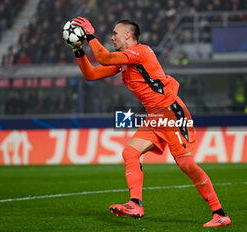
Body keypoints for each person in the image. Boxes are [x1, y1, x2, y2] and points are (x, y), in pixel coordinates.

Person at [65, 17, 231, 227]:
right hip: (154, 116)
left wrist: (90, 36)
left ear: (128, 35)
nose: (112, 37)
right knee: (130, 152)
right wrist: (77, 50)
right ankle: (135, 204)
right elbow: (91, 74)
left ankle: (220, 214)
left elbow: (104, 57)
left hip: (171, 112)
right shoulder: (125, 60)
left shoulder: (141, 51)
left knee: (186, 163)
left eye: (115, 33)